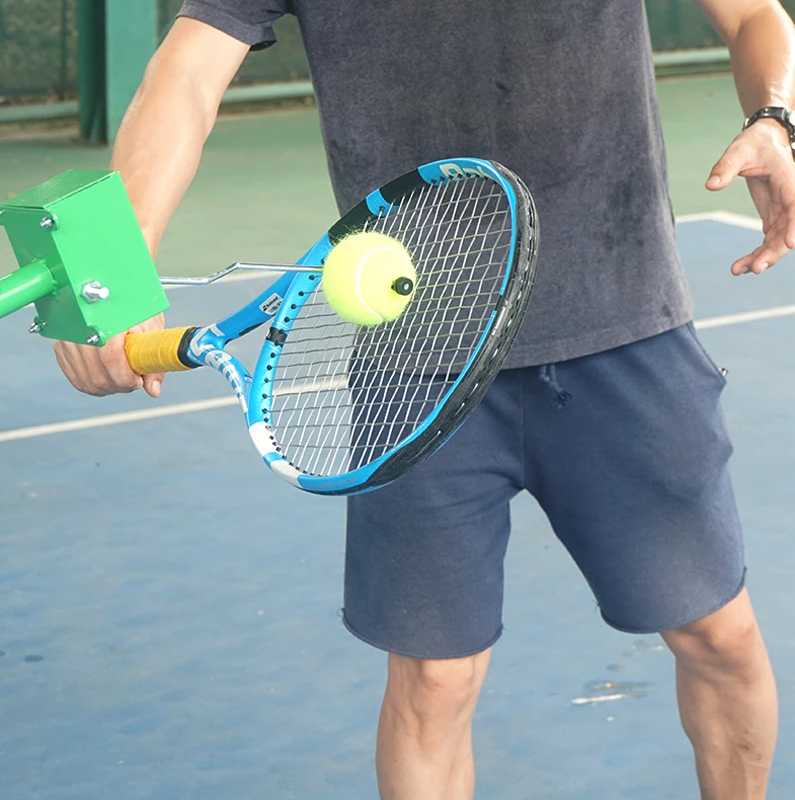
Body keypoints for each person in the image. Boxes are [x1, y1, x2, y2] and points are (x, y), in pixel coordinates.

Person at [54, 1, 795, 797]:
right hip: (410, 364)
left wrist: (777, 118)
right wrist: (115, 270)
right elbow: (187, 77)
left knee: (718, 638)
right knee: (433, 681)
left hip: (624, 328)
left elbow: (754, 13)